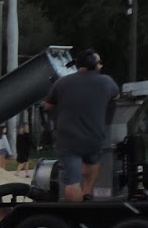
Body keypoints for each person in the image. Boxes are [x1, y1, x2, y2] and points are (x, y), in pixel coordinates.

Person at [42, 50, 119, 202]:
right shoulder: (106, 81)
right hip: (93, 137)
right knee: (93, 162)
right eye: (99, 62)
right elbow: (116, 97)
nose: (101, 65)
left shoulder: (62, 82)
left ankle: (75, 216)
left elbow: (47, 106)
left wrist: (57, 119)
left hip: (67, 138)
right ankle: (87, 192)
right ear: (92, 64)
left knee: (72, 182)